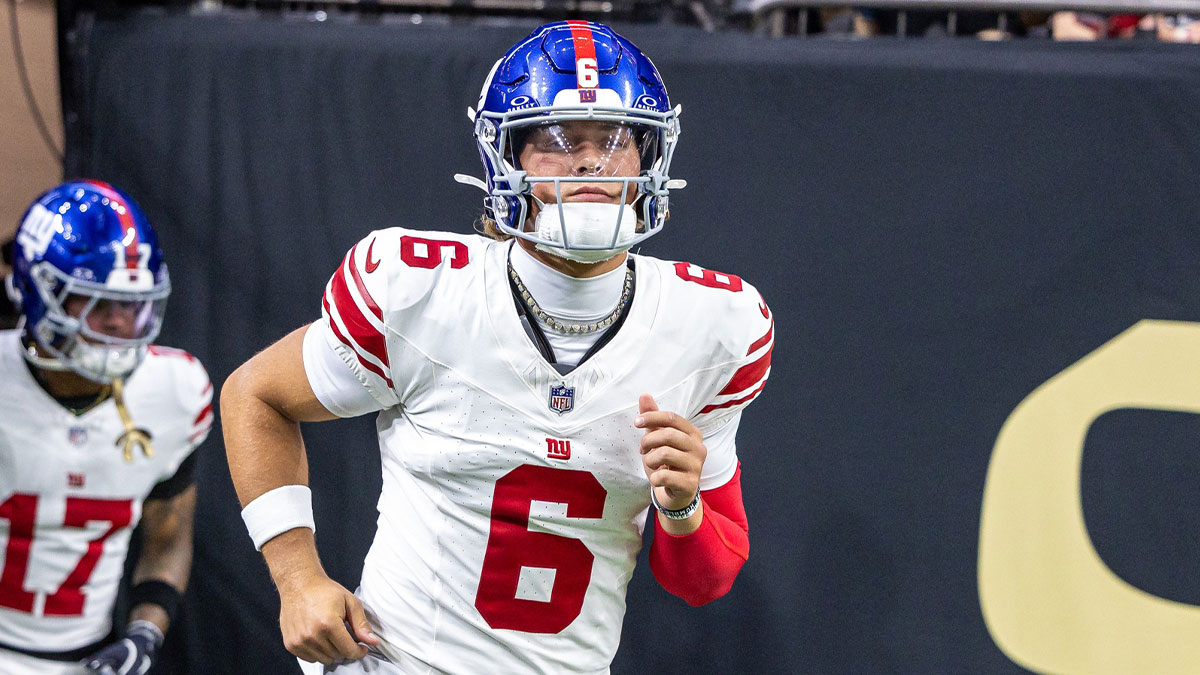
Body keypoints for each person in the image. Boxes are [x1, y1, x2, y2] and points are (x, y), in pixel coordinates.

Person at [222, 20, 773, 674]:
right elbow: (254, 394)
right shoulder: (421, 289)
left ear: (650, 160)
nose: (589, 161)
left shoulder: (713, 324)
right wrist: (296, 577)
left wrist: (682, 507)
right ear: (505, 159)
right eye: (556, 139)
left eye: (615, 138)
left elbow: (703, 581)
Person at [0, 181, 211, 675]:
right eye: (94, 301)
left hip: (87, 659)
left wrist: (144, 634)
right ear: (38, 292)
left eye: (131, 304)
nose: (119, 322)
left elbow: (168, 537)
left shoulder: (175, 391)